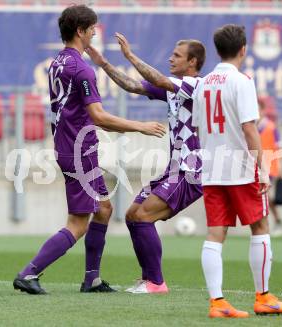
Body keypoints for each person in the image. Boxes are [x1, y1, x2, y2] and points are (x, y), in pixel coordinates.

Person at [12, 5, 166, 295]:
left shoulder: (59, 61)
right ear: (81, 31)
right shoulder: (81, 70)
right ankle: (29, 273)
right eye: (92, 28)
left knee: (104, 210)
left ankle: (91, 279)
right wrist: (140, 126)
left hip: (71, 146)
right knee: (78, 223)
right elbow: (99, 117)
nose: (96, 32)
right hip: (78, 152)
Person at [85, 33, 206, 293]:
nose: (170, 59)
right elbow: (132, 85)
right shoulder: (174, 90)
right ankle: (149, 279)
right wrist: (103, 63)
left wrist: (129, 55)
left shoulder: (198, 86)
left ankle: (156, 283)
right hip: (174, 170)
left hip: (190, 171)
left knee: (141, 216)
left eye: (177, 56)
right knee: (132, 215)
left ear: (193, 62)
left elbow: (159, 79)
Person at [192, 24, 282, 317]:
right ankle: (263, 297)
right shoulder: (242, 81)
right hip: (240, 169)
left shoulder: (204, 83)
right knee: (260, 227)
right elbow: (250, 128)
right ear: (244, 50)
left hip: (212, 169)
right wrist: (262, 167)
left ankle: (217, 303)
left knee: (215, 234)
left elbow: (199, 128)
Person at [257, 97, 282, 231]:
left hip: (269, 168)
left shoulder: (271, 127)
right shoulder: (249, 126)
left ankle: (270, 223)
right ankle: (275, 220)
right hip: (254, 167)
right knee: (262, 196)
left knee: (263, 195)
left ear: (262, 111)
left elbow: (280, 149)